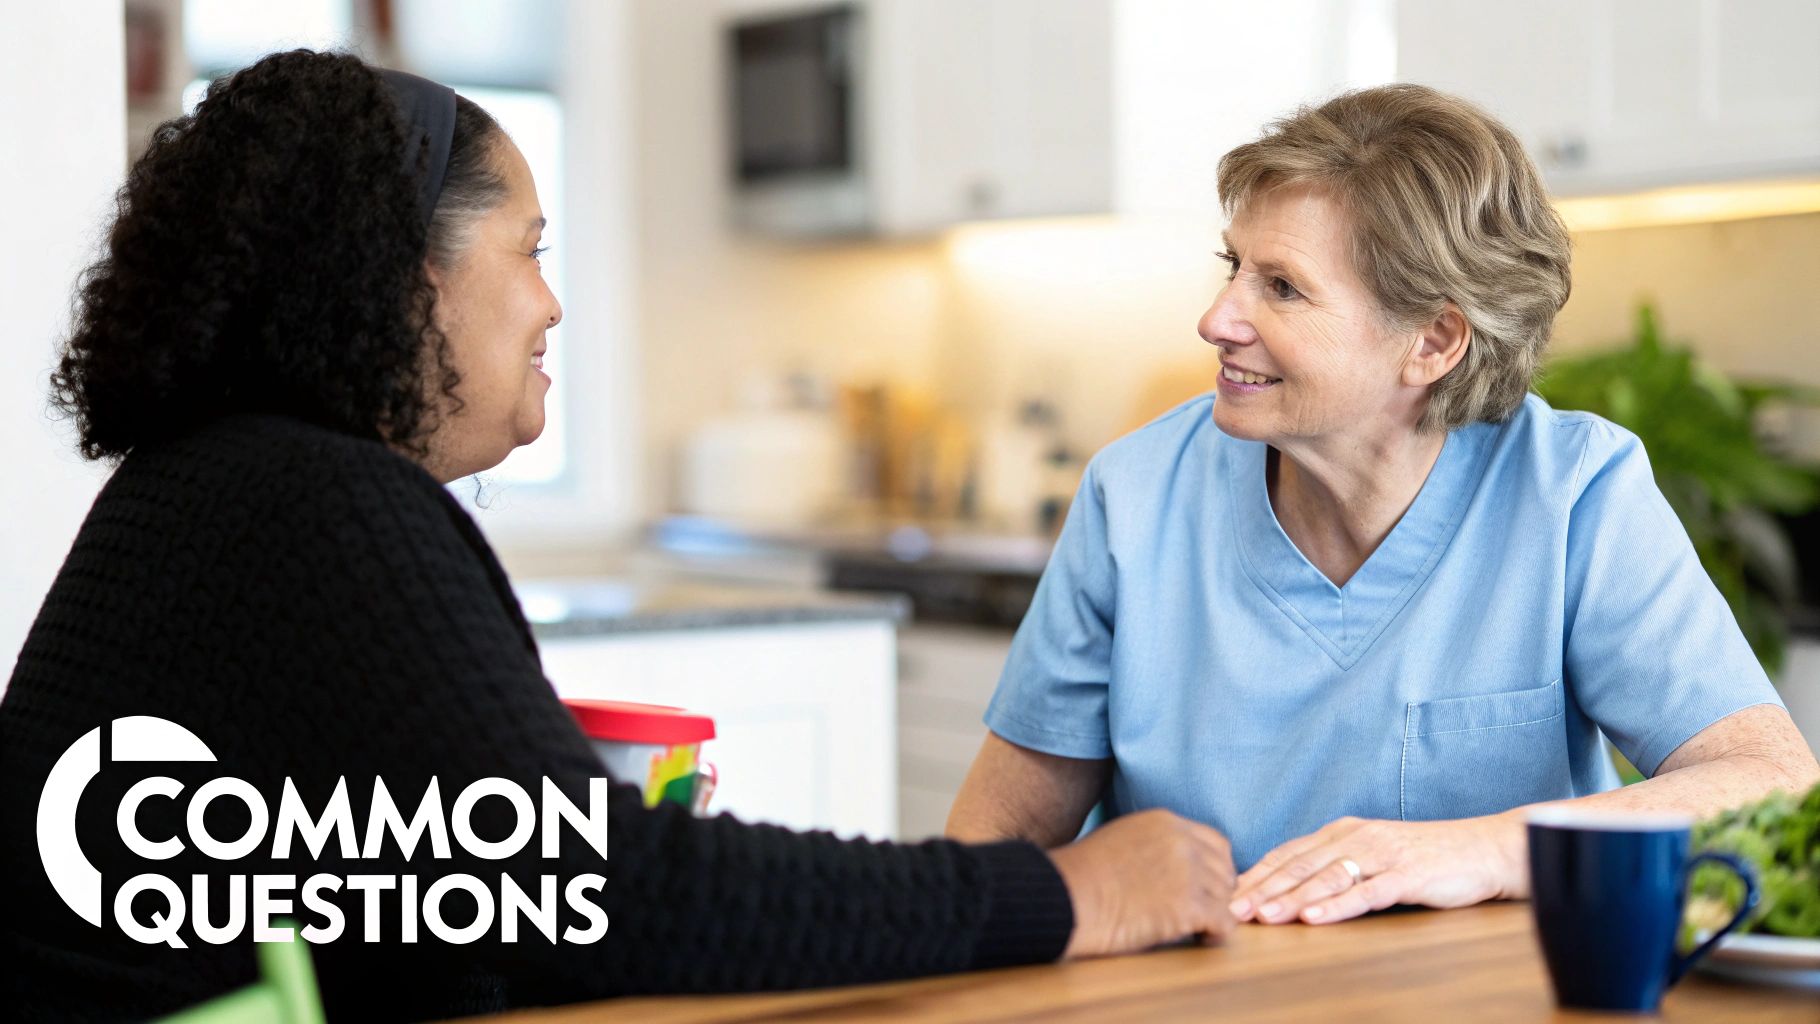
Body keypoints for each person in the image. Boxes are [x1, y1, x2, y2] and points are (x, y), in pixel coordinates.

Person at [0, 50, 1236, 1023]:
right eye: (529, 251)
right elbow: (612, 899)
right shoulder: (320, 501)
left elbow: (449, 878)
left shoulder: (215, 482)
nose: (549, 302)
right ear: (399, 277)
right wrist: (1060, 893)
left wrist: (575, 815)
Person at [947, 84, 1819, 928]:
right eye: (1234, 268)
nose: (1218, 318)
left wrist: (1472, 850)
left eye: (1281, 286)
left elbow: (1767, 779)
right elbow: (989, 852)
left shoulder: (1571, 491)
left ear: (1432, 340)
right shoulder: (1133, 497)